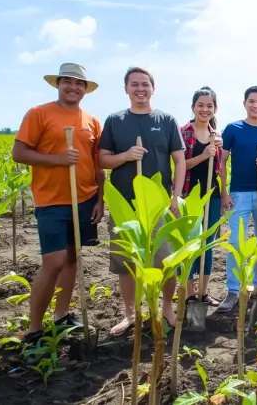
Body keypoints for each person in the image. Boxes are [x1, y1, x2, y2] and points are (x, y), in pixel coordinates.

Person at [12, 62, 103, 344]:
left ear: (85, 89)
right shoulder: (39, 114)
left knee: (73, 259)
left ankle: (62, 316)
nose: (73, 87)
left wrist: (101, 199)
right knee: (53, 262)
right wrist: (58, 160)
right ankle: (35, 329)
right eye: (68, 82)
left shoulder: (91, 121)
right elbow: (19, 152)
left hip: (85, 198)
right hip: (52, 201)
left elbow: (98, 164)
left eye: (79, 83)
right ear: (58, 84)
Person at [98, 66, 187, 336]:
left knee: (167, 259)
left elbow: (179, 159)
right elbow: (102, 159)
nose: (140, 89)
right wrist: (125, 156)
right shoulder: (115, 120)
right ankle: (131, 314)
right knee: (126, 261)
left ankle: (167, 309)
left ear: (153, 88)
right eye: (134, 84)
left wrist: (176, 195)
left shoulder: (166, 120)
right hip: (124, 202)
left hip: (158, 203)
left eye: (145, 84)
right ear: (126, 89)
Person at [216, 86, 257, 313]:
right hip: (238, 194)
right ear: (244, 103)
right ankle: (234, 290)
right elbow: (220, 163)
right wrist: (223, 192)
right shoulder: (233, 129)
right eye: (251, 101)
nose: (256, 105)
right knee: (235, 243)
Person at [179, 86, 227, 308]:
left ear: (215, 109)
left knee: (207, 244)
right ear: (193, 107)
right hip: (190, 194)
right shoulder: (183, 133)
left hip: (212, 194)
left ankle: (204, 292)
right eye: (201, 105)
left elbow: (220, 168)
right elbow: (180, 166)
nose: (205, 109)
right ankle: (189, 293)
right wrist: (202, 155)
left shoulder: (217, 136)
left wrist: (224, 192)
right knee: (189, 244)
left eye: (209, 106)